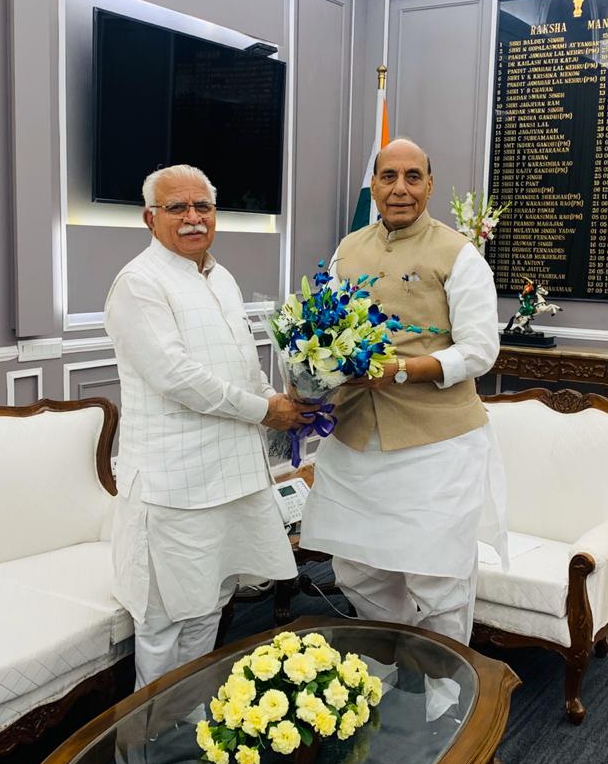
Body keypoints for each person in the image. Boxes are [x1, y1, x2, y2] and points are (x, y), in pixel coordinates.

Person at [105, 164, 316, 688]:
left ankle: (191, 723)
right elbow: (176, 378)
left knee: (209, 608)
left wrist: (277, 398)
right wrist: (265, 411)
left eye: (203, 207)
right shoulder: (138, 283)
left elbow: (241, 362)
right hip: (174, 488)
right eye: (178, 208)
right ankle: (149, 748)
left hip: (233, 478)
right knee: (164, 622)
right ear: (150, 218)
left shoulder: (218, 276)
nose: (194, 218)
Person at [299, 138, 505, 645]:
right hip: (353, 440)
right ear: (374, 184)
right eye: (389, 176)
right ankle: (402, 653)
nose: (400, 189)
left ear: (430, 185)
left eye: (413, 177)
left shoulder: (459, 253)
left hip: (436, 442)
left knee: (438, 577)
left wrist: (404, 370)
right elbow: (324, 327)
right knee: (356, 570)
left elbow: (481, 350)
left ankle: (447, 689)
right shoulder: (348, 249)